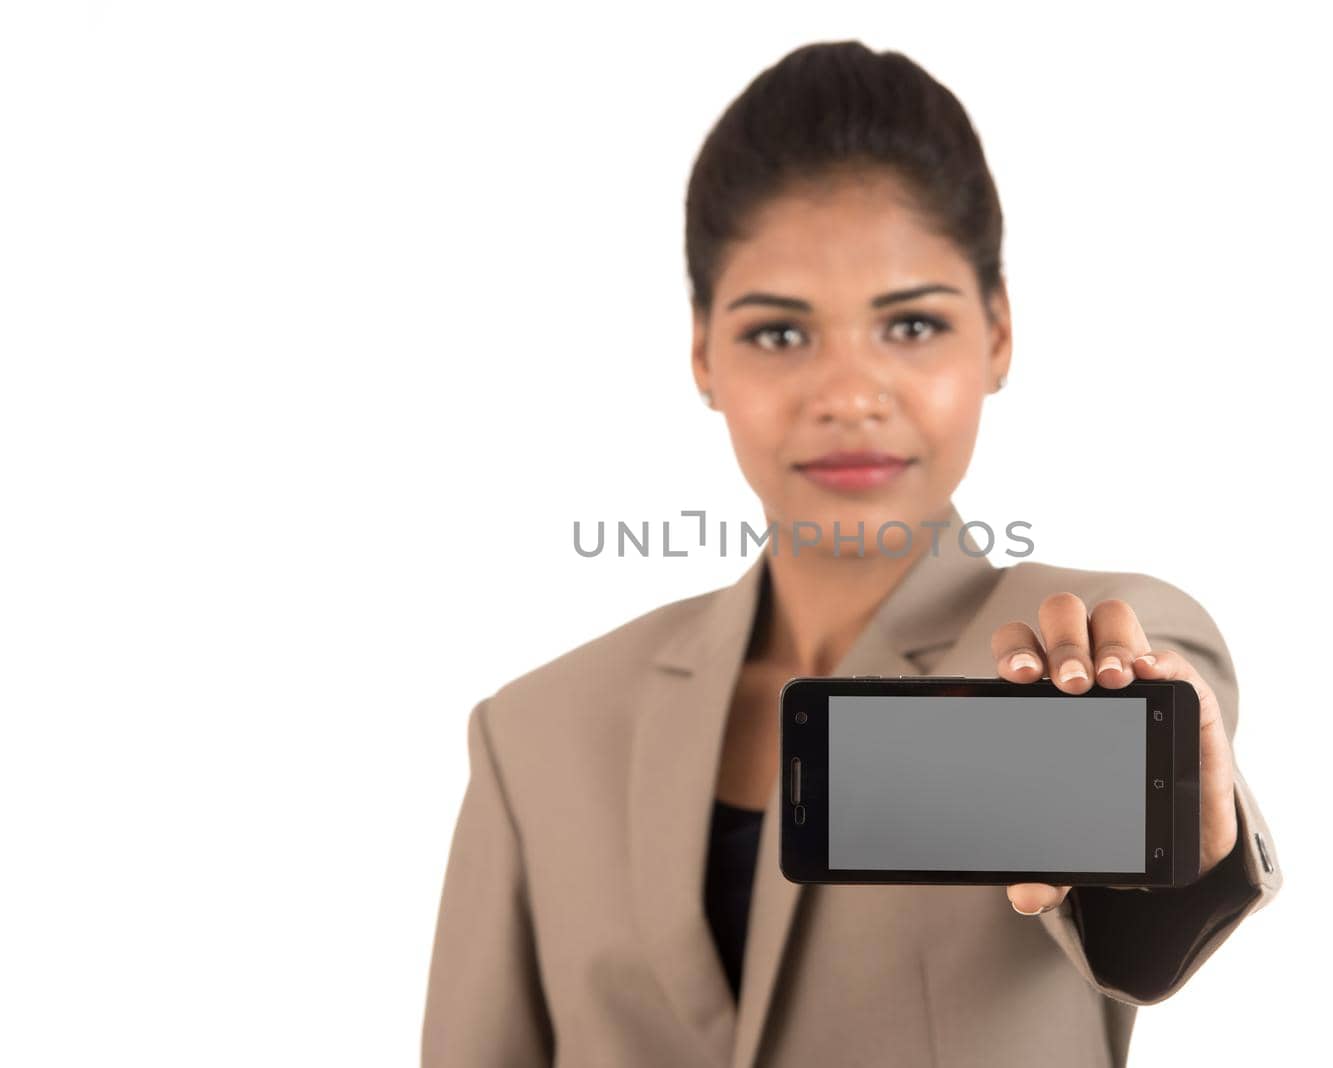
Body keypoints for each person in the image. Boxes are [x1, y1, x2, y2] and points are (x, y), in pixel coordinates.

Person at [421, 40, 1282, 1068]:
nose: (848, 393)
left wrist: (1172, 837)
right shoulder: (537, 734)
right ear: (702, 354)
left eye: (911, 324)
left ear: (998, 335)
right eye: (781, 336)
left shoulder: (1098, 649)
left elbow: (1148, 917)